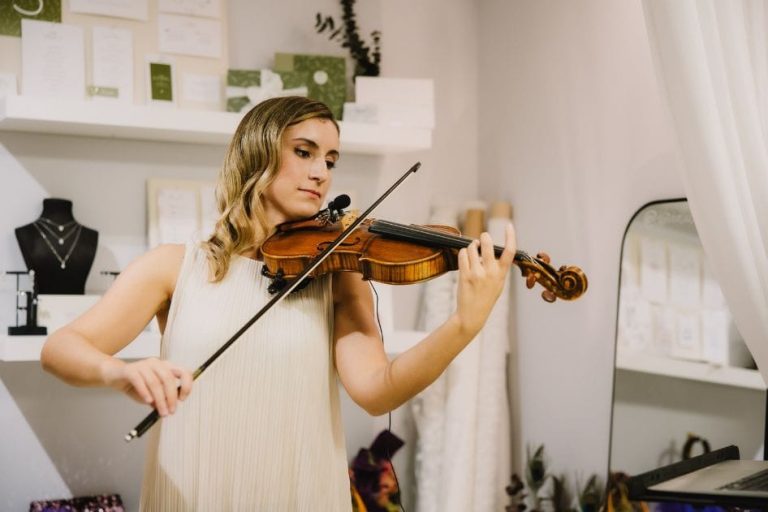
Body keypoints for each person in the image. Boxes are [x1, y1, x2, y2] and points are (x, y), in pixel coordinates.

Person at [40, 96, 516, 511]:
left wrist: (464, 324)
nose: (320, 173)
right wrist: (120, 372)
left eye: (331, 160)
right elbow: (61, 348)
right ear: (258, 151)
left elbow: (378, 391)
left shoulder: (338, 274)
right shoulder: (173, 266)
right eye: (304, 152)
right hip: (193, 493)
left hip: (298, 494)